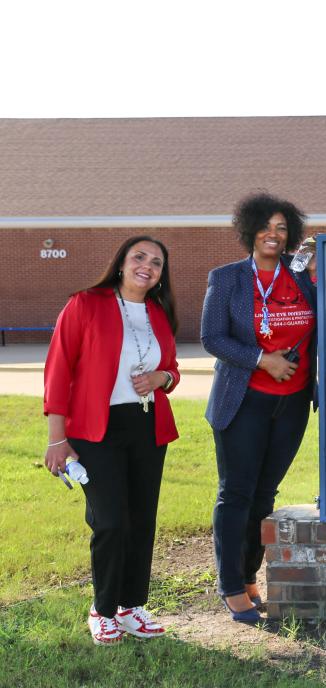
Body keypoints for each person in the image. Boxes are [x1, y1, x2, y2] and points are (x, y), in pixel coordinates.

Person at [43, 235, 180, 644]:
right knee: (111, 521)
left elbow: (171, 368)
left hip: (147, 426)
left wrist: (163, 378)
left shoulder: (158, 312)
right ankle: (102, 609)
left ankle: (131, 606)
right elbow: (59, 369)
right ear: (121, 262)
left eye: (156, 262)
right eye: (139, 256)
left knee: (141, 519)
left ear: (160, 275)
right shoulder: (85, 303)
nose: (147, 265)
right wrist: (56, 440)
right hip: (95, 429)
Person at [202, 192, 317, 622]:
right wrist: (262, 360)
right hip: (243, 399)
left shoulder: (302, 275)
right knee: (236, 492)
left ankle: (249, 575)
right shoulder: (227, 278)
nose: (274, 234)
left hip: (292, 403)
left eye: (282, 227)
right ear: (249, 230)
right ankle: (230, 584)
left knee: (264, 494)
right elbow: (213, 337)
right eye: (266, 226)